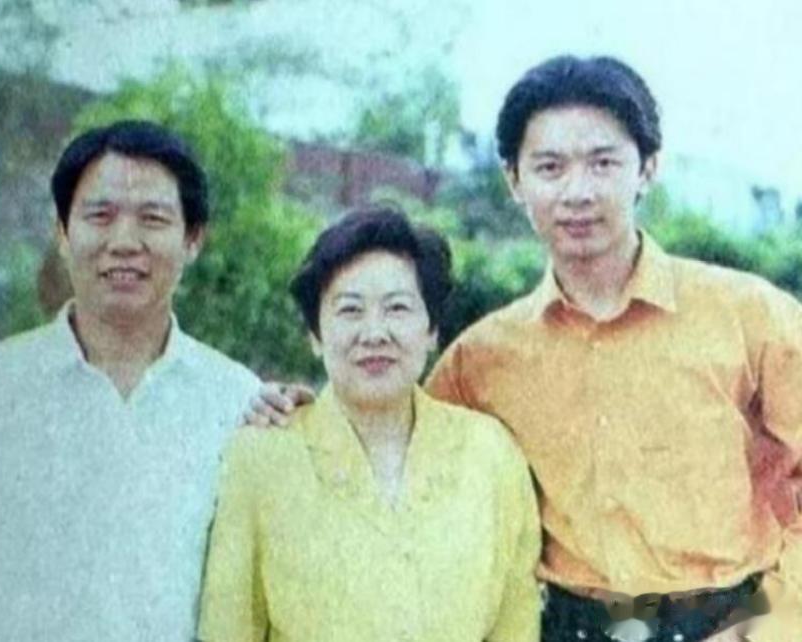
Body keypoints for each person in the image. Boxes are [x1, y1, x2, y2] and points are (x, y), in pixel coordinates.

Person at [248, 56, 802, 642]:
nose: (577, 192)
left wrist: (773, 621)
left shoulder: (751, 316)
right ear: (515, 181)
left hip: (734, 622)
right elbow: (393, 445)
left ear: (647, 168)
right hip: (567, 628)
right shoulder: (481, 360)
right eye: (550, 167)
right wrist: (297, 413)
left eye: (603, 163)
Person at [0, 120, 262, 641]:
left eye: (153, 218)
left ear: (193, 240)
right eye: (100, 215)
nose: (124, 241)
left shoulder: (238, 402)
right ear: (63, 234)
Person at [199, 205, 542, 642]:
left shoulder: (491, 453)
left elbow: (516, 623)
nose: (374, 333)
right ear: (315, 335)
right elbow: (228, 628)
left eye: (397, 308)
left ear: (432, 330)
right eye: (350, 310)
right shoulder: (261, 456)